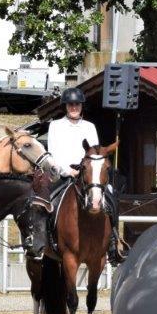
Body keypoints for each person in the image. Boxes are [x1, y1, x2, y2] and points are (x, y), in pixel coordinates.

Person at [47, 87, 124, 264]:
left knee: (111, 196)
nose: (74, 107)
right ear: (65, 106)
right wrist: (67, 171)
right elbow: (52, 154)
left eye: (77, 104)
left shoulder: (89, 127)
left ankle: (114, 241)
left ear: (81, 106)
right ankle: (42, 240)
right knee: (45, 201)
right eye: (70, 104)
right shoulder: (55, 126)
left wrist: (88, 171)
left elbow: (95, 153)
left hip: (87, 175)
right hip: (63, 174)